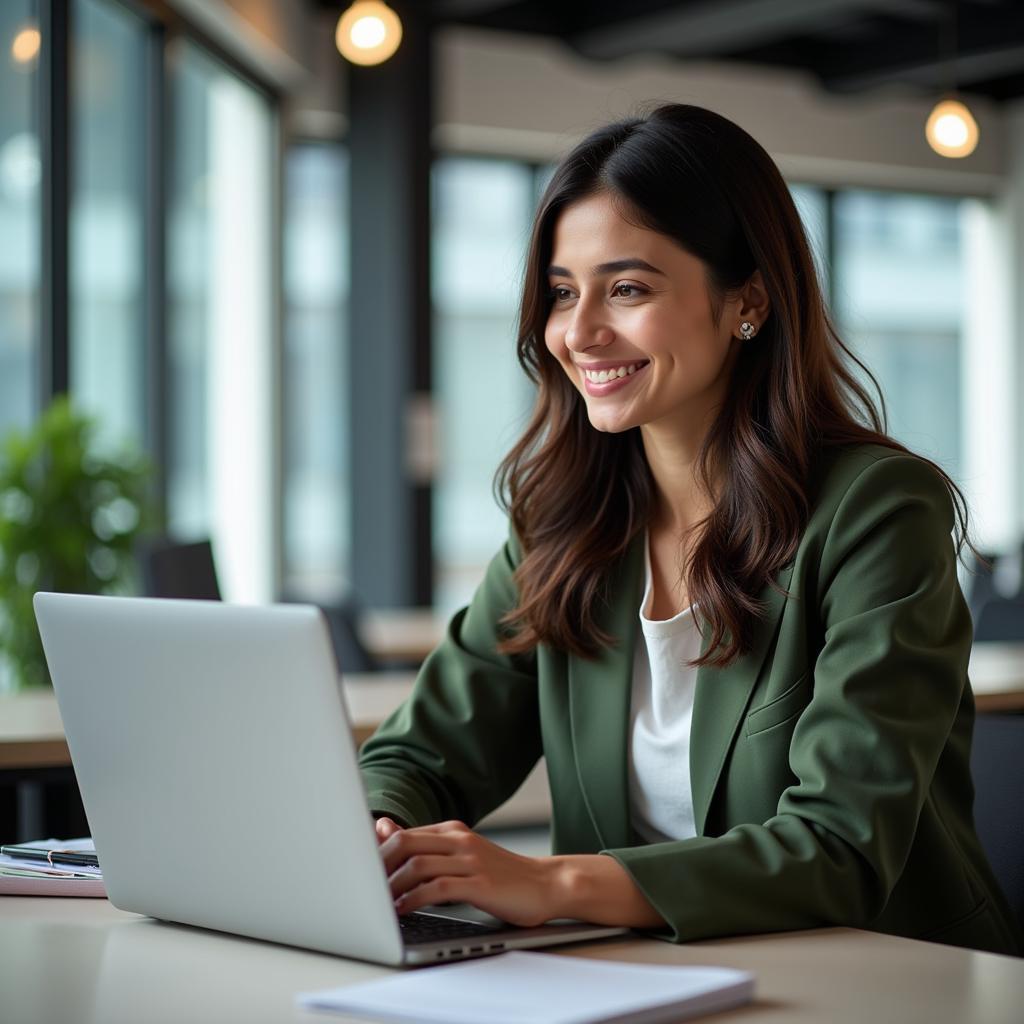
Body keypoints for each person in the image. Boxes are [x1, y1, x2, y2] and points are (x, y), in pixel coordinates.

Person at [358, 103, 1022, 956]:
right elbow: (425, 752)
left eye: (627, 288)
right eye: (563, 292)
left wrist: (550, 881)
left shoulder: (878, 509)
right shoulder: (564, 520)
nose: (579, 332)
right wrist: (377, 838)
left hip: (871, 974)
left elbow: (842, 847)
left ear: (747, 300)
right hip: (639, 975)